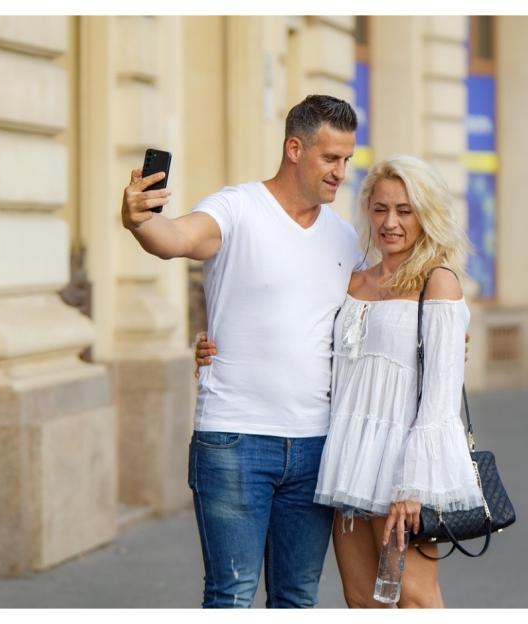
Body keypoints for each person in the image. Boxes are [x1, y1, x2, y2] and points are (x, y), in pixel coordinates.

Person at [197, 155, 485, 608]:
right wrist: (213, 344)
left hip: (402, 462)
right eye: (380, 209)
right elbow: (296, 329)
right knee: (363, 599)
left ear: (426, 215)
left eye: (405, 211)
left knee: (413, 598)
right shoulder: (353, 280)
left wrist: (413, 486)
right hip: (348, 459)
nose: (390, 223)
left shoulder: (438, 282)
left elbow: (440, 399)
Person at [121, 95, 361, 608]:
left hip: (317, 445)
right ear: (294, 149)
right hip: (235, 439)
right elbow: (174, 238)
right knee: (230, 595)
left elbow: (376, 313)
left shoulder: (345, 239)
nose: (341, 172)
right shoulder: (237, 208)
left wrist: (441, 323)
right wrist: (141, 220)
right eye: (330, 158)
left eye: (346, 160)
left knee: (297, 599)